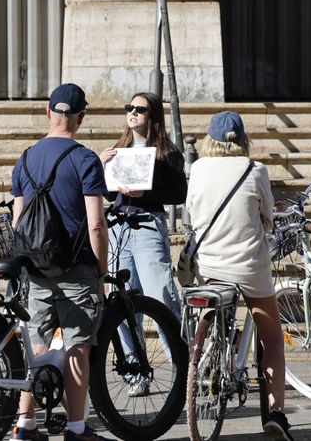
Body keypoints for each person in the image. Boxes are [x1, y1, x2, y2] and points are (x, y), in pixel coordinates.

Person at [186, 111, 294, 441]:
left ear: (209, 140)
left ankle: (204, 353)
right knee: (272, 337)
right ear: (243, 140)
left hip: (211, 265)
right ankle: (276, 412)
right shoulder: (255, 169)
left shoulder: (199, 168)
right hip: (250, 267)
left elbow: (191, 215)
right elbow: (267, 218)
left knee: (208, 307)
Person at [9, 83, 108, 441]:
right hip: (76, 267)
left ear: (48, 113)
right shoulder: (85, 159)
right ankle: (76, 428)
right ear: (80, 118)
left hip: (35, 268)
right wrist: (101, 267)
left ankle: (26, 424)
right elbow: (96, 223)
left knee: (36, 345)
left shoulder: (26, 158)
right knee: (77, 345)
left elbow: (17, 223)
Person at [98, 91, 187, 397]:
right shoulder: (118, 148)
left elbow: (179, 194)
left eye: (140, 109)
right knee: (119, 302)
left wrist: (145, 194)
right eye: (129, 108)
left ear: (153, 116)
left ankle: (183, 366)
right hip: (118, 226)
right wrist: (101, 166)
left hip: (148, 224)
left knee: (161, 295)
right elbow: (110, 194)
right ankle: (136, 370)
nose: (133, 113)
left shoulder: (166, 152)